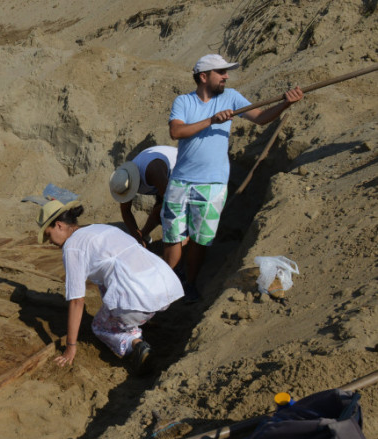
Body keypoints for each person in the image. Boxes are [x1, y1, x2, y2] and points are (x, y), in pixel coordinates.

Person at [165, 54, 303, 301]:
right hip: (181, 182)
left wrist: (285, 104)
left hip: (213, 184)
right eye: (221, 72)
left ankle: (189, 284)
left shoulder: (231, 97)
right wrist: (211, 120)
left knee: (200, 240)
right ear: (204, 76)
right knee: (172, 237)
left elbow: (260, 118)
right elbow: (176, 131)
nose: (226, 76)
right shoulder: (183, 101)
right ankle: (167, 284)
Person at [37, 199, 183, 374]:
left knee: (99, 327)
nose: (49, 241)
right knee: (105, 281)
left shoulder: (72, 247)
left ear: (59, 225)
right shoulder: (99, 228)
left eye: (49, 234)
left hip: (139, 300)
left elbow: (77, 301)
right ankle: (139, 319)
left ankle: (135, 343)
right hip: (163, 287)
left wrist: (70, 346)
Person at [108, 145, 177, 246]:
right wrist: (136, 237)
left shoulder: (153, 171)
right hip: (164, 181)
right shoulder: (125, 180)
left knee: (165, 213)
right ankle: (144, 236)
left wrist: (142, 233)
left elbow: (172, 202)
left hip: (185, 170)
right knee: (160, 210)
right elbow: (126, 211)